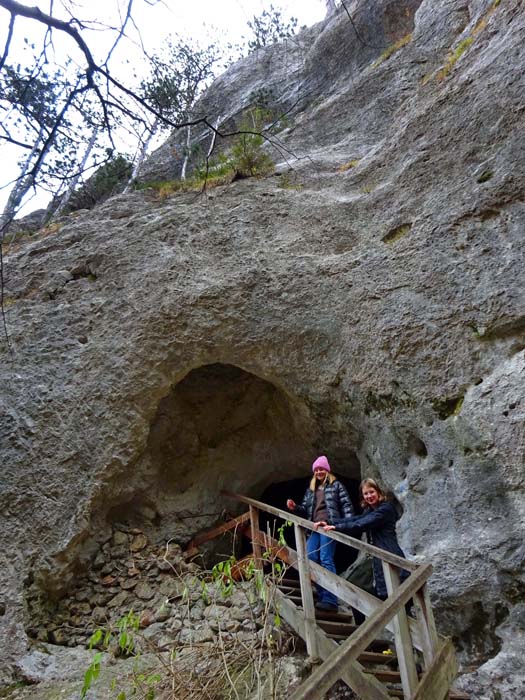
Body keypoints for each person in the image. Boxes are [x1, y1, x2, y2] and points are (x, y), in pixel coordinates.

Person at [317, 477, 409, 622]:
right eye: (365, 494)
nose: (369, 496)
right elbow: (354, 519)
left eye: (371, 492)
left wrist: (337, 528)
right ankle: (362, 628)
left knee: (397, 602)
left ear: (378, 492)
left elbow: (362, 524)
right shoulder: (371, 510)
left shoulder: (386, 509)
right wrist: (329, 522)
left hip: (390, 558)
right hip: (377, 559)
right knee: (353, 585)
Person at [286, 455, 354, 612]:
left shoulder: (336, 486)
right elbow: (305, 509)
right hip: (315, 529)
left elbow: (347, 506)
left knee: (325, 558)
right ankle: (323, 594)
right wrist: (295, 507)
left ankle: (330, 600)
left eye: (321, 468)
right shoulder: (311, 490)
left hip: (329, 528)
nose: (319, 471)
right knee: (309, 558)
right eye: (316, 469)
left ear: (327, 470)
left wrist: (341, 526)